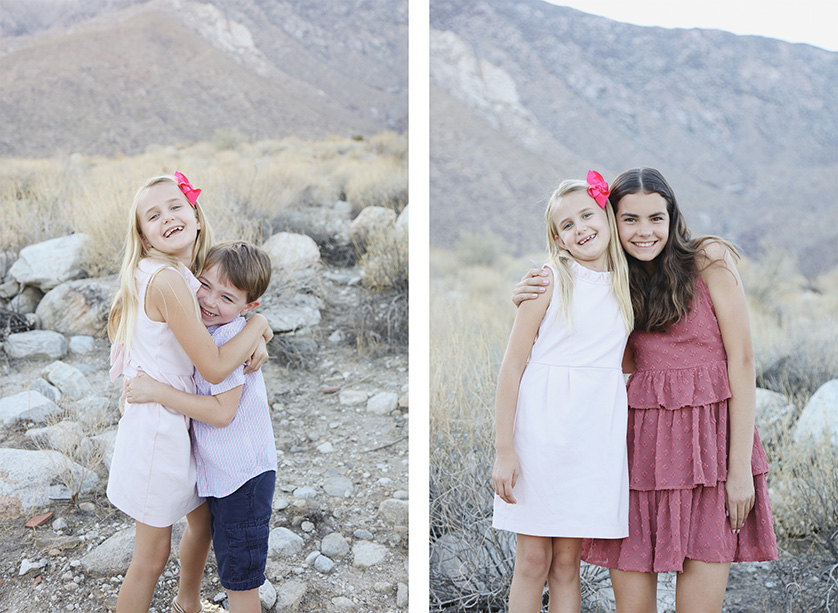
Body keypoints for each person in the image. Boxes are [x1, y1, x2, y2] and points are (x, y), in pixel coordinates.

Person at [513, 168, 778, 612]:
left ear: (672, 216)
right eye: (629, 219)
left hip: (711, 455)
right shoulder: (613, 282)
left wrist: (738, 472)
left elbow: (743, 361)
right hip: (640, 457)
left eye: (656, 217)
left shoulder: (708, 259)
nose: (644, 231)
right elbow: (586, 351)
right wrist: (525, 297)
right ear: (612, 222)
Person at [107, 173, 274, 613]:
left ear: (196, 216)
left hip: (183, 424)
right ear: (142, 235)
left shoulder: (186, 277)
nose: (168, 218)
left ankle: (189, 603)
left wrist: (256, 333)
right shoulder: (167, 281)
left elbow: (217, 330)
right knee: (151, 554)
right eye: (153, 215)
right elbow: (216, 366)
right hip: (161, 427)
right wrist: (257, 325)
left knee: (200, 524)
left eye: (176, 206)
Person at [492, 172, 634, 612]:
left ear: (607, 216)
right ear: (558, 238)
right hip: (540, 438)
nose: (580, 228)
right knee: (533, 560)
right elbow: (512, 367)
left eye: (587, 215)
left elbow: (625, 360)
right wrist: (504, 450)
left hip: (593, 441)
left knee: (568, 563)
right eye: (567, 225)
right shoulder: (549, 280)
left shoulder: (629, 285)